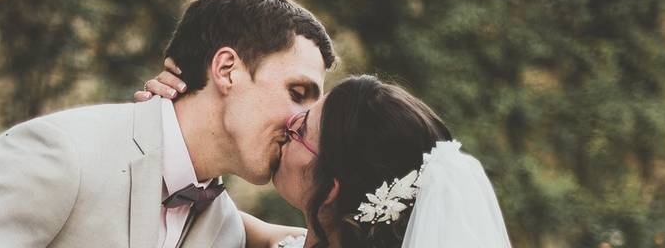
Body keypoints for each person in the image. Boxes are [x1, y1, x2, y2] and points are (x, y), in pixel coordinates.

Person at [0, 0, 336, 248]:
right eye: (298, 93)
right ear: (226, 69)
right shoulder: (67, 156)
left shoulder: (223, 229)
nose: (302, 119)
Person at [142, 71, 512, 248]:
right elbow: (207, 213)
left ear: (332, 188)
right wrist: (183, 124)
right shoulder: (294, 241)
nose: (287, 124)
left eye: (301, 128)